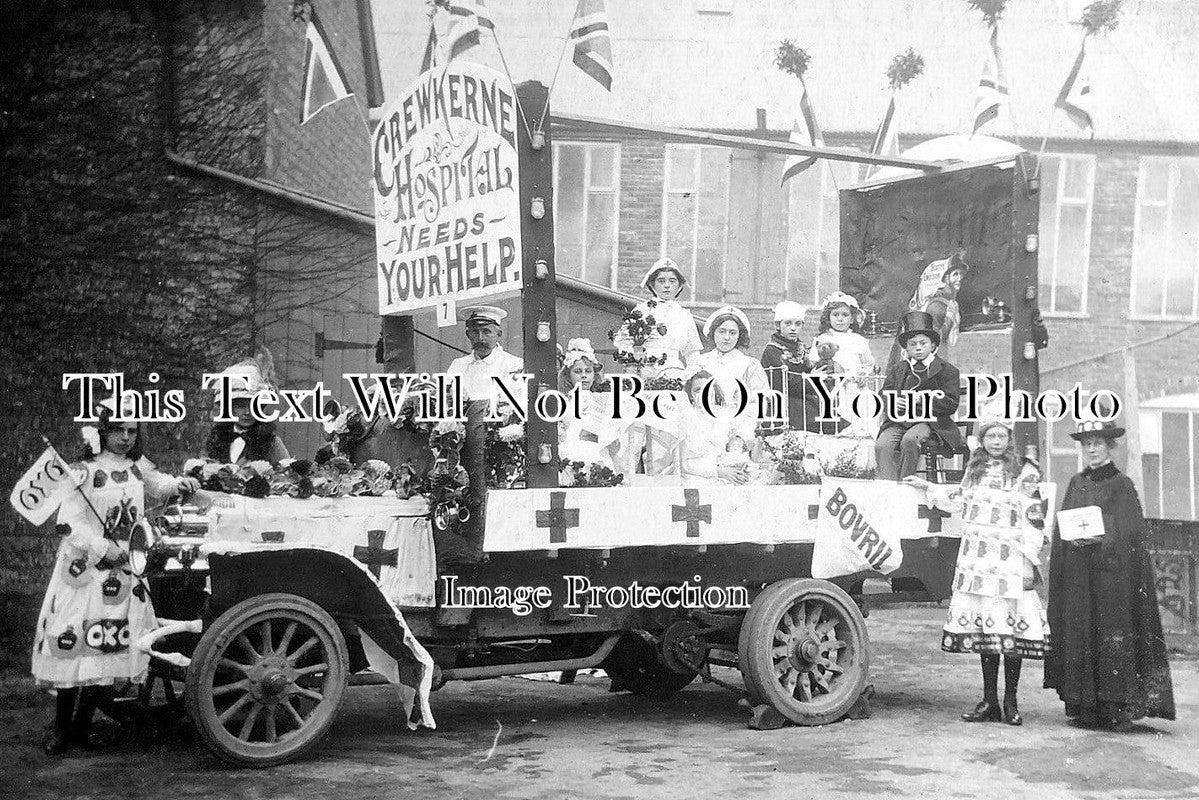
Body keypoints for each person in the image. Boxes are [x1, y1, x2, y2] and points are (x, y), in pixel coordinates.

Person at [32, 398, 201, 755]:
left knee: (106, 644)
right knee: (74, 643)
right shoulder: (83, 470)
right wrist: (102, 547)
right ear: (102, 431)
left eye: (131, 431)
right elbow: (69, 523)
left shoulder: (137, 467)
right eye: (117, 430)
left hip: (124, 569)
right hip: (84, 571)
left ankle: (82, 727)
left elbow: (160, 485)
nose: (125, 438)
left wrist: (180, 484)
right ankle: (62, 730)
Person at [1043, 417, 1176, 731]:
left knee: (1111, 636)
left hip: (1111, 578)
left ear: (1109, 446)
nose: (1092, 449)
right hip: (1079, 575)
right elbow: (1063, 523)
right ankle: (1084, 707)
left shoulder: (1122, 484)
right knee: (1081, 632)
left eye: (1098, 443)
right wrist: (1071, 536)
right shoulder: (1077, 482)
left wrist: (1103, 537)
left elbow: (1131, 531)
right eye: (1087, 444)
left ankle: (1115, 708)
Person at [937, 411, 1048, 726]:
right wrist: (927, 488)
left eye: (1001, 436)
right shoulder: (974, 470)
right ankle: (989, 702)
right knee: (989, 633)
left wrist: (1029, 557)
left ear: (1008, 439)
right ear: (983, 440)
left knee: (1010, 632)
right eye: (990, 436)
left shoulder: (1024, 471)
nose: (996, 442)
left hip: (1010, 564)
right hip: (980, 565)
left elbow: (1034, 516)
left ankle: (1011, 701)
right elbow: (960, 500)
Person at [444, 306, 525, 560]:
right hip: (459, 439)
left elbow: (514, 406)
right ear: (467, 334)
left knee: (482, 496)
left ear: (498, 334)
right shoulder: (458, 366)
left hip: (494, 443)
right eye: (475, 331)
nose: (480, 337)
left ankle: (483, 549)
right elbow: (448, 400)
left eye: (487, 331)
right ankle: (458, 547)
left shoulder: (513, 365)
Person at [875, 310, 962, 481]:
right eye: (913, 344)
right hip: (899, 421)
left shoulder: (947, 370)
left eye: (923, 343)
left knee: (910, 440)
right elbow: (883, 394)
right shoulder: (899, 369)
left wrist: (923, 399)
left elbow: (951, 402)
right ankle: (889, 489)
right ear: (906, 348)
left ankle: (906, 486)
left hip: (930, 422)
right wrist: (893, 401)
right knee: (882, 445)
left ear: (933, 345)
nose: (918, 348)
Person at [612, 257, 703, 378]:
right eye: (661, 281)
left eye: (672, 281)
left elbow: (693, 356)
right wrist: (634, 365)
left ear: (680, 285)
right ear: (652, 284)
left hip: (674, 374)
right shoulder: (641, 311)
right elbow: (623, 344)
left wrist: (685, 377)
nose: (667, 286)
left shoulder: (684, 316)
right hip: (644, 372)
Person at [690, 306, 771, 426]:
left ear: (740, 336)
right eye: (722, 331)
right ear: (714, 332)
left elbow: (758, 403)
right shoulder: (700, 362)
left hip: (737, 425)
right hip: (703, 425)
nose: (726, 337)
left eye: (732, 333)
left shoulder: (750, 365)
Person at [205, 350, 290, 465]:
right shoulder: (217, 439)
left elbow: (287, 476)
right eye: (240, 406)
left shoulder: (271, 443)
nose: (248, 412)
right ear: (229, 408)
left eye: (253, 406)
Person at [674, 369, 755, 485]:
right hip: (699, 476)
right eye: (697, 390)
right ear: (690, 396)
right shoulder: (687, 421)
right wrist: (719, 472)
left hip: (727, 471)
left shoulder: (725, 417)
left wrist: (739, 465)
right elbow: (686, 464)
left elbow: (737, 444)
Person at [557, 337, 618, 471]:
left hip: (597, 451)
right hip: (570, 452)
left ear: (594, 374)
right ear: (568, 375)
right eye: (578, 372)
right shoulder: (563, 401)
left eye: (588, 371)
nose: (584, 376)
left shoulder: (602, 399)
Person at [760, 300, 811, 432]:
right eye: (788, 323)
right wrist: (814, 378)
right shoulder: (772, 350)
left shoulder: (802, 349)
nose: (793, 328)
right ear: (778, 325)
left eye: (798, 324)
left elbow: (808, 369)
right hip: (781, 403)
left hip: (801, 401)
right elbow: (787, 383)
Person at [808, 291, 875, 376]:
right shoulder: (822, 339)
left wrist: (863, 373)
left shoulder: (859, 341)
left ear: (852, 319)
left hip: (853, 385)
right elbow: (813, 363)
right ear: (828, 318)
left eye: (845, 315)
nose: (840, 319)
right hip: (829, 385)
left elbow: (869, 364)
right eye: (835, 315)